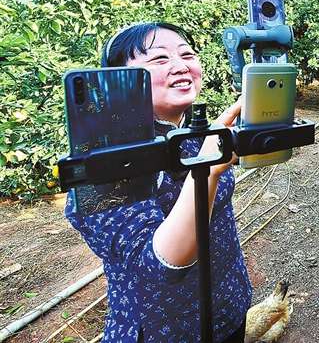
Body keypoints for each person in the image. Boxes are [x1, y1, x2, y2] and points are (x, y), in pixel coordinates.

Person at [65, 22, 252, 342]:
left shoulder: (199, 131)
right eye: (159, 59)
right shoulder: (104, 162)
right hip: (165, 330)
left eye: (187, 54)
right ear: (118, 78)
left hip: (228, 308)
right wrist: (206, 169)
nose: (180, 65)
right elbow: (160, 266)